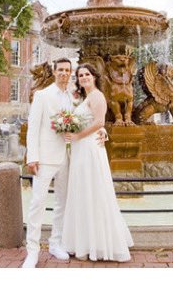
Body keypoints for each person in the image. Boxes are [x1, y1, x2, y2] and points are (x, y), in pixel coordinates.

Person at [61, 63, 133, 263]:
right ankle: (82, 244)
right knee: (81, 192)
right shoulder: (83, 98)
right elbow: (93, 122)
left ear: (94, 76)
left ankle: (97, 244)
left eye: (87, 74)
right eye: (80, 75)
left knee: (93, 191)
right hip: (80, 149)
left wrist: (77, 136)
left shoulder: (98, 96)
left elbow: (100, 122)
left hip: (89, 148)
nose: (83, 77)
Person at [22, 58, 76, 268]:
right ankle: (33, 251)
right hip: (44, 158)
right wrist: (32, 156)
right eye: (60, 70)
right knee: (37, 203)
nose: (64, 73)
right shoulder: (42, 96)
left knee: (62, 203)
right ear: (54, 72)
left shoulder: (73, 97)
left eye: (67, 70)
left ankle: (55, 243)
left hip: (67, 157)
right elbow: (33, 127)